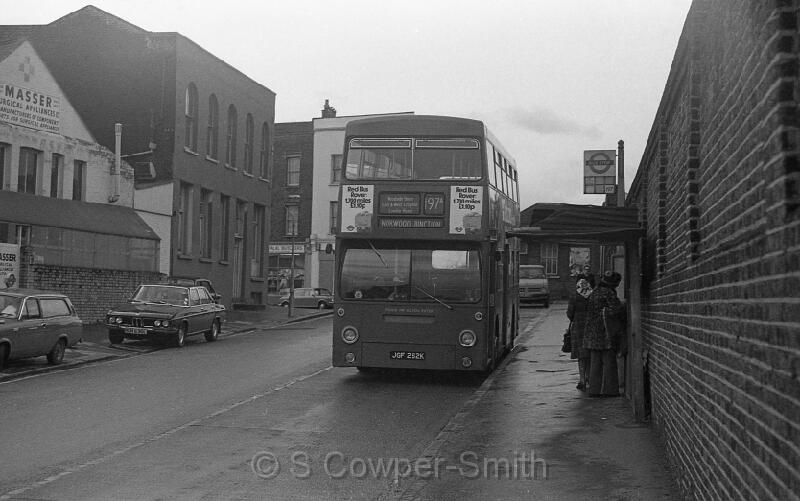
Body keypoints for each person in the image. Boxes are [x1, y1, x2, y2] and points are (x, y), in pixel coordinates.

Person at [583, 270, 625, 397]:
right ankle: (610, 390)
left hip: (591, 332)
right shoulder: (608, 293)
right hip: (605, 331)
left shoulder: (595, 291)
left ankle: (594, 390)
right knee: (609, 362)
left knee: (595, 362)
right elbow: (616, 310)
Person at [567, 274, 593, 390]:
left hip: (578, 327)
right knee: (590, 354)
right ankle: (589, 378)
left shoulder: (574, 296)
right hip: (592, 327)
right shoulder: (592, 295)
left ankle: (582, 380)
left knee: (581, 356)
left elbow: (570, 313)